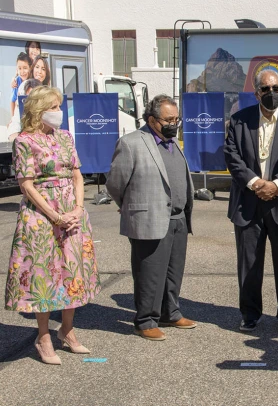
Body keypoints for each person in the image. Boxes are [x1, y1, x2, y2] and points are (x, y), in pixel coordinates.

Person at [4, 86, 100, 365]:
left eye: (60, 107)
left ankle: (67, 331)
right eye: (54, 107)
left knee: (72, 272)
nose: (59, 112)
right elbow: (26, 185)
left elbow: (77, 176)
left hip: (72, 212)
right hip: (40, 217)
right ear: (38, 110)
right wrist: (55, 215)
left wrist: (78, 209)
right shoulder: (24, 141)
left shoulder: (66, 137)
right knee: (44, 276)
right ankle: (44, 336)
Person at [224, 68, 278, 333]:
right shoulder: (239, 120)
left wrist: (277, 185)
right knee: (249, 264)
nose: (271, 93)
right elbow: (232, 156)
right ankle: (250, 313)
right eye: (265, 89)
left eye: (276, 88)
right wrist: (255, 183)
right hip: (248, 202)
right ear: (256, 92)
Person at [106, 94, 196, 341]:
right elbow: (115, 183)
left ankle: (170, 313)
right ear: (151, 119)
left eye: (176, 119)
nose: (173, 124)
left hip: (178, 218)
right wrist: (130, 205)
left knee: (173, 271)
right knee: (150, 273)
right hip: (149, 219)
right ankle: (145, 320)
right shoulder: (131, 143)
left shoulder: (172, 142)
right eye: (168, 119)